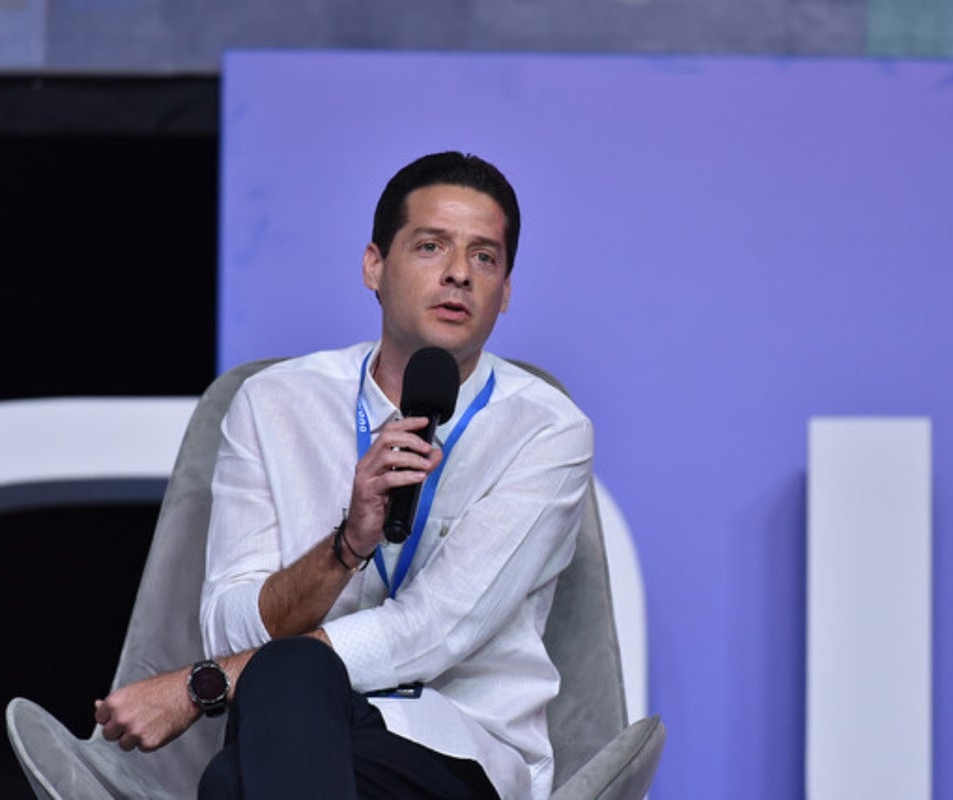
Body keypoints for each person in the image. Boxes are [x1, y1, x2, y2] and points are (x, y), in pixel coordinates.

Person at [94, 151, 594, 799]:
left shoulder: (546, 430)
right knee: (275, 709)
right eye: (431, 246)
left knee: (234, 778)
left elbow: (436, 630)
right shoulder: (274, 403)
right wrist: (347, 545)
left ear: (505, 293)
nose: (458, 274)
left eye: (484, 257)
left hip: (458, 750)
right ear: (373, 266)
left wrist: (203, 686)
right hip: (296, 725)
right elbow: (231, 626)